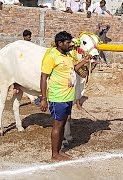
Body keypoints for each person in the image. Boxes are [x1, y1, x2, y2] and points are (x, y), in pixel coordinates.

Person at [40, 31, 91, 161]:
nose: (70, 45)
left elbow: (73, 68)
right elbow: (43, 77)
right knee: (57, 124)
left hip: (68, 97)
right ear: (60, 43)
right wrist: (44, 99)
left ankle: (59, 150)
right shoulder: (51, 56)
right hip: (57, 97)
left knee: (63, 124)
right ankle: (54, 154)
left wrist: (85, 61)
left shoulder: (67, 56)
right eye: (68, 42)